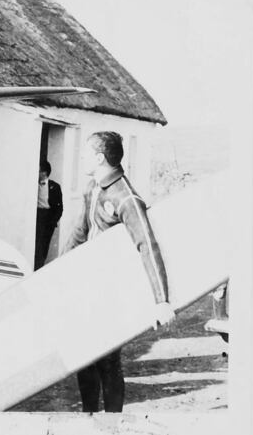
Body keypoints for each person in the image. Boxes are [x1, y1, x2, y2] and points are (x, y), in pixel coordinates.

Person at [63, 131, 176, 413]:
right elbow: (80, 232)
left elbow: (147, 245)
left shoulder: (126, 197)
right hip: (86, 289)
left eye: (86, 153)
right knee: (84, 357)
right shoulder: (93, 188)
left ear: (100, 158)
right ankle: (89, 420)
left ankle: (114, 424)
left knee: (108, 360)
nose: (81, 157)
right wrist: (55, 273)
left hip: (111, 293)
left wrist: (161, 301)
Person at [34, 160, 63, 270]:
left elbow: (59, 208)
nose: (36, 172)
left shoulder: (55, 187)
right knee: (34, 246)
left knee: (43, 247)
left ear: (44, 173)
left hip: (47, 219)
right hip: (36, 216)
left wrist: (52, 222)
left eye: (39, 170)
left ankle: (39, 268)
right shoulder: (32, 185)